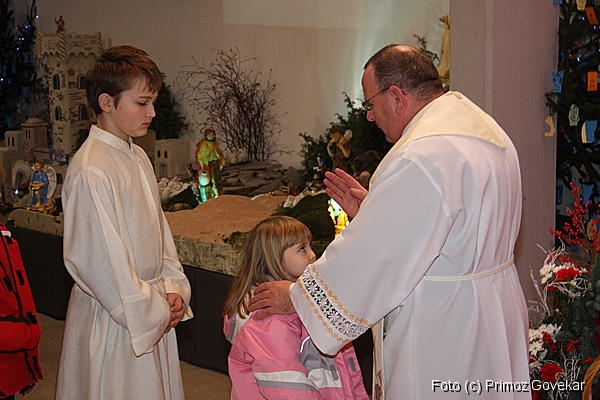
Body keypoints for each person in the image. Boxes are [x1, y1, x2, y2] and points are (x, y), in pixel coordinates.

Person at [249, 44, 530, 399]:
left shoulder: (420, 155)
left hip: (444, 327)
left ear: (396, 96)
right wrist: (375, 211)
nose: (369, 116)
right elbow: (454, 230)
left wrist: (298, 296)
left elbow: (376, 256)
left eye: (370, 104)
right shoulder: (486, 131)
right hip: (494, 312)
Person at [55, 45, 193, 400]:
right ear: (107, 102)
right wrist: (152, 308)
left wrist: (174, 288)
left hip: (151, 306)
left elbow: (159, 234)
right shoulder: (91, 170)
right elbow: (95, 260)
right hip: (118, 318)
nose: (152, 113)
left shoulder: (138, 156)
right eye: (142, 103)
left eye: (153, 102)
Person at [223, 216, 369, 399]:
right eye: (302, 248)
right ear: (274, 257)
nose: (312, 255)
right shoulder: (270, 317)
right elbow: (286, 386)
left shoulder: (304, 300)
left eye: (310, 246)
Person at [0, 224, 43, 399]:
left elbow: (21, 304)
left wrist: (26, 366)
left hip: (7, 372)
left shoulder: (5, 240)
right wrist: (28, 334)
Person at [195, 128, 225, 203]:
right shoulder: (204, 144)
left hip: (215, 162)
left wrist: (221, 159)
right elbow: (200, 156)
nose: (212, 136)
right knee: (212, 180)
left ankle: (219, 194)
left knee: (217, 179)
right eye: (210, 135)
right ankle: (214, 196)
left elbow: (218, 152)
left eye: (213, 134)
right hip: (209, 164)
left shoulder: (214, 143)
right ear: (206, 136)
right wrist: (202, 166)